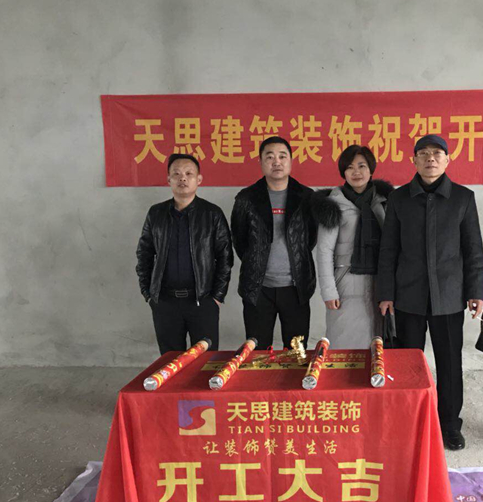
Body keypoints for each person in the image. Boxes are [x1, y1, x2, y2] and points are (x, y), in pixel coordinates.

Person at [377, 134, 483, 451]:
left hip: (449, 296)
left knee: (450, 364)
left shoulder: (463, 198)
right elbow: (388, 250)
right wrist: (386, 293)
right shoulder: (399, 199)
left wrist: (475, 291)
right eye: (423, 153)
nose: (430, 159)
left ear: (447, 160)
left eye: (437, 153)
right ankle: (409, 421)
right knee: (408, 364)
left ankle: (450, 424)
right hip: (408, 296)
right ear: (413, 160)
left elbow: (473, 249)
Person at [136, 153, 233, 354]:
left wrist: (216, 297)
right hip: (165, 302)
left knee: (205, 361)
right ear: (168, 179)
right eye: (177, 174)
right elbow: (144, 254)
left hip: (203, 300)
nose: (183, 178)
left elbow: (225, 257)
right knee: (170, 361)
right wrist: (148, 293)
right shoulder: (156, 213)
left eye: (189, 174)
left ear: (199, 179)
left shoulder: (212, 214)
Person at [230, 136, 317, 349]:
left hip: (296, 288)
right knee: (257, 353)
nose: (276, 162)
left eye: (282, 156)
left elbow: (310, 239)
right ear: (261, 162)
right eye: (270, 157)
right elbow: (240, 240)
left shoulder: (307, 197)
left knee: (297, 353)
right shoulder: (246, 199)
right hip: (258, 288)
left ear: (291, 161)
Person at [311, 145, 393, 348]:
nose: (356, 172)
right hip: (345, 284)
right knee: (343, 343)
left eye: (361, 166)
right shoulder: (333, 204)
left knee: (376, 342)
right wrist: (329, 291)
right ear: (343, 172)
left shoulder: (385, 202)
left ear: (371, 169)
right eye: (350, 167)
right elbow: (324, 251)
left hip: (379, 282)